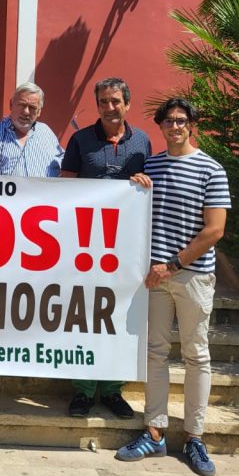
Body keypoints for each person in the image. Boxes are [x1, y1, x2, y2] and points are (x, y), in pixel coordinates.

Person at [116, 98, 230, 476]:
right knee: (156, 353)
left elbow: (214, 229)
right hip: (155, 277)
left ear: (192, 124)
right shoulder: (152, 165)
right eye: (168, 121)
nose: (175, 126)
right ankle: (155, 430)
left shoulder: (211, 169)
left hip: (192, 276)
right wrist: (135, 188)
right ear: (161, 126)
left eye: (181, 120)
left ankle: (195, 436)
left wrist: (174, 264)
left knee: (197, 355)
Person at [60, 76, 152, 419]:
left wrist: (144, 183)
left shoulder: (142, 142)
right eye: (103, 102)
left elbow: (148, 189)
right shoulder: (80, 139)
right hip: (85, 245)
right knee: (85, 315)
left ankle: (113, 391)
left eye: (115, 101)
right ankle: (83, 392)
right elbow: (64, 188)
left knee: (119, 318)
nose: (109, 108)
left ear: (127, 103)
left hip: (126, 248)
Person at [0, 82, 63, 178]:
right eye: (22, 105)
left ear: (39, 111)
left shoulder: (46, 133)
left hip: (42, 192)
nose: (26, 112)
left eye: (32, 107)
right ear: (11, 105)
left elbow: (64, 161)